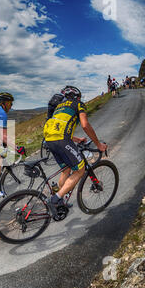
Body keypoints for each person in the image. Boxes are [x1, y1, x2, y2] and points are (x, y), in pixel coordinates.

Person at [43, 85, 107, 220]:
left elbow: (59, 129)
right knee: (80, 170)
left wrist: (77, 139)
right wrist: (98, 144)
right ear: (77, 96)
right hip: (62, 140)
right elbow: (85, 125)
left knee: (66, 170)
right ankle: (55, 199)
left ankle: (60, 201)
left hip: (49, 140)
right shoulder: (78, 104)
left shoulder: (58, 107)